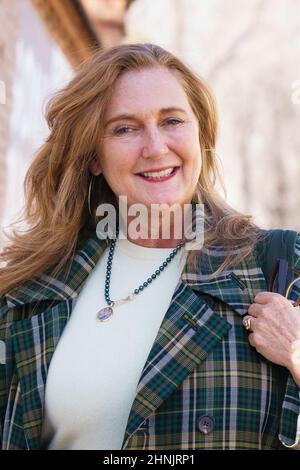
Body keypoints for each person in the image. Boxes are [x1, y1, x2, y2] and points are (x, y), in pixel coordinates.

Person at [0, 43, 299, 451]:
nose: (156, 147)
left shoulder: (279, 268)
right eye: (125, 128)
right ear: (94, 157)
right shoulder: (31, 292)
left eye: (172, 120)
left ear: (201, 135)